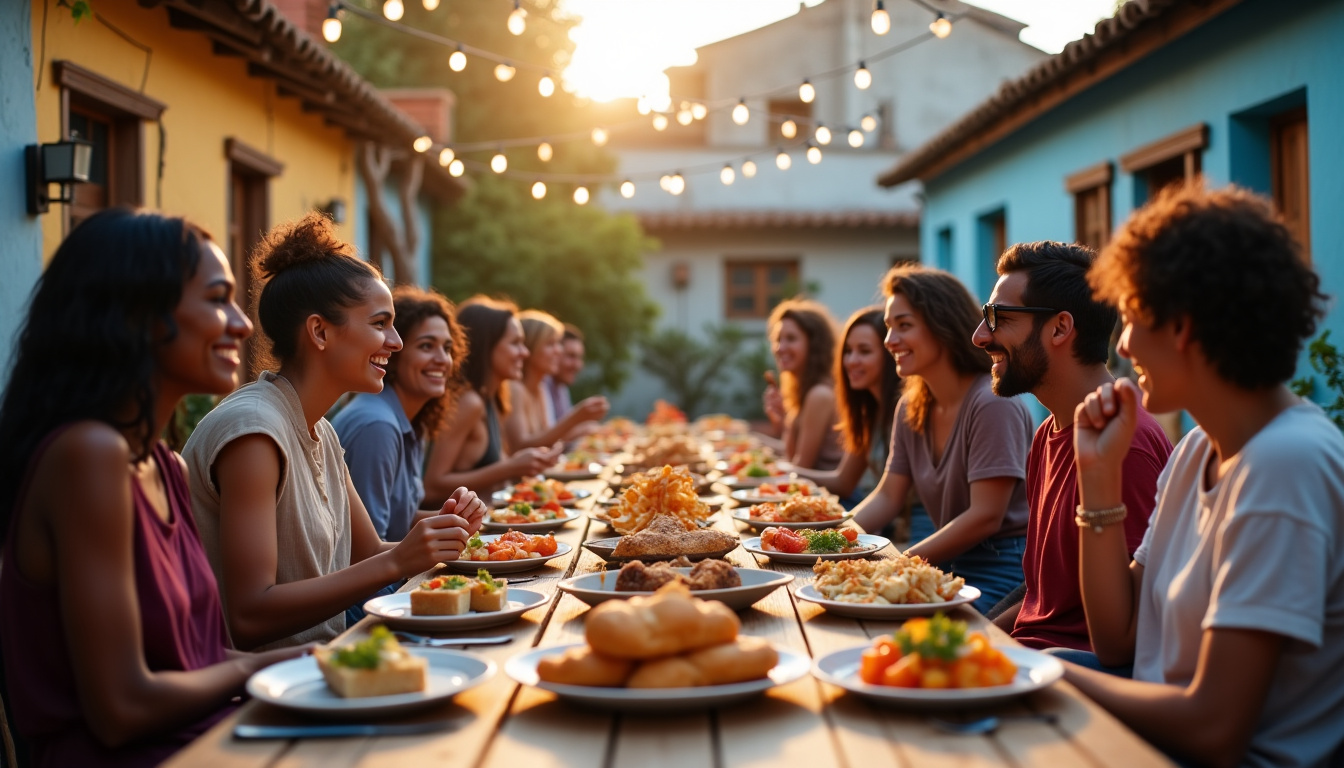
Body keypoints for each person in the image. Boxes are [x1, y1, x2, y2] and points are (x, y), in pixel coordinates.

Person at [0, 209, 305, 766]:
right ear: (136, 314)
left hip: (211, 742)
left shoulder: (165, 466)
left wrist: (302, 663)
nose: (242, 324)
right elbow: (122, 708)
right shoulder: (88, 456)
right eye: (217, 299)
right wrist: (269, 666)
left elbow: (196, 661)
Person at [1069, 184, 1344, 767]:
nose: (1123, 345)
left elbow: (1215, 730)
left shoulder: (1287, 465)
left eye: (1131, 317)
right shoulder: (1197, 448)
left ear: (1182, 326)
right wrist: (1098, 474)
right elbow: (1116, 639)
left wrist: (1037, 671)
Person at [182, 214, 487, 651]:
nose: (396, 341)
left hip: (328, 658)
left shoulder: (320, 429)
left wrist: (442, 534)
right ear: (320, 332)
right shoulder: (254, 432)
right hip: (266, 682)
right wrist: (402, 559)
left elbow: (370, 553)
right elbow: (250, 616)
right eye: (380, 323)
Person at [972, 242, 1170, 668]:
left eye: (998, 317)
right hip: (1028, 659)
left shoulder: (1127, 446)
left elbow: (1134, 630)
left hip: (1071, 678)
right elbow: (1040, 598)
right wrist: (973, 638)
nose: (980, 336)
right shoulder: (1047, 434)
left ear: (1060, 328)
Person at [851, 265, 1034, 612]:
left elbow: (985, 515)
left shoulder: (991, 403)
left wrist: (896, 564)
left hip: (1004, 571)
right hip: (947, 564)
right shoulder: (911, 407)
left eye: (904, 325)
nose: (890, 340)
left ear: (943, 324)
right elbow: (888, 496)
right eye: (889, 327)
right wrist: (831, 539)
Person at [333, 286, 466, 542]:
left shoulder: (411, 421)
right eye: (426, 346)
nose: (442, 359)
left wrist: (456, 519)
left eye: (448, 348)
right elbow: (367, 551)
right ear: (393, 353)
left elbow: (397, 519)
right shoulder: (378, 427)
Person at [424, 297, 560, 501]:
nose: (525, 353)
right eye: (515, 343)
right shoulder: (468, 402)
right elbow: (431, 486)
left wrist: (525, 464)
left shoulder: (494, 397)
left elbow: (497, 471)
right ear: (486, 346)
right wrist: (511, 467)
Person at [786, 307, 900, 502]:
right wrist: (783, 472)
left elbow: (847, 486)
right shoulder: (868, 411)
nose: (851, 361)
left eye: (864, 351)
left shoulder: (903, 409)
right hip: (866, 506)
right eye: (848, 351)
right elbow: (843, 480)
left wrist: (783, 473)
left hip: (878, 511)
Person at [503, 309, 607, 451]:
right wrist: (576, 418)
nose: (559, 351)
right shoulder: (515, 389)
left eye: (558, 344)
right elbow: (520, 447)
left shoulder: (540, 388)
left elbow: (548, 440)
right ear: (529, 348)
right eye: (550, 344)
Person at [761, 298, 844, 470]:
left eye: (791, 339)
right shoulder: (805, 388)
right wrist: (784, 420)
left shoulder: (819, 394)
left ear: (814, 344)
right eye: (778, 339)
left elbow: (800, 467)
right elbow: (791, 455)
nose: (780, 348)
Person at [544, 324, 585, 420]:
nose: (578, 365)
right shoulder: (541, 385)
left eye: (580, 358)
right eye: (571, 356)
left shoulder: (561, 388)